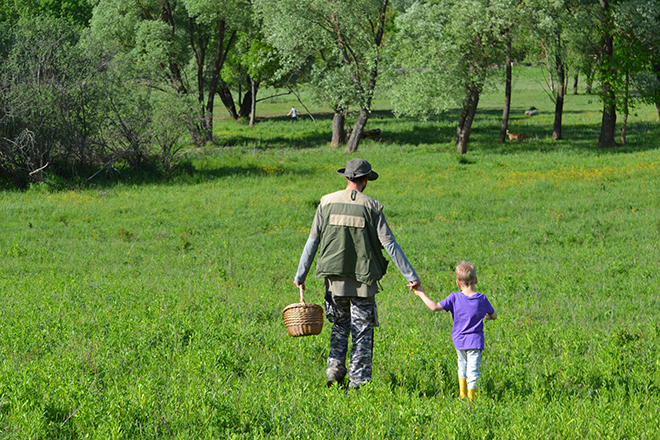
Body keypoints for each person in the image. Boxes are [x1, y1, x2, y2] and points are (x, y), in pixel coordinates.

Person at [294, 158, 420, 390]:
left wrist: (300, 275)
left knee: (340, 326)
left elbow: (312, 242)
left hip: (334, 281)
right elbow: (389, 244)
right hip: (363, 280)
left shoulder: (326, 202)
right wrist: (410, 275)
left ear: (347, 178)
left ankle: (334, 369)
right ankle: (358, 383)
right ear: (365, 180)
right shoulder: (373, 206)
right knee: (362, 331)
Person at [413, 261, 497, 401]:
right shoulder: (482, 299)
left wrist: (421, 293)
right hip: (475, 342)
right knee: (473, 371)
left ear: (458, 283)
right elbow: (494, 315)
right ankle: (472, 401)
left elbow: (434, 307)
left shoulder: (454, 297)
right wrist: (488, 316)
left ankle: (462, 395)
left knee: (462, 367)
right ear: (476, 280)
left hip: (459, 341)